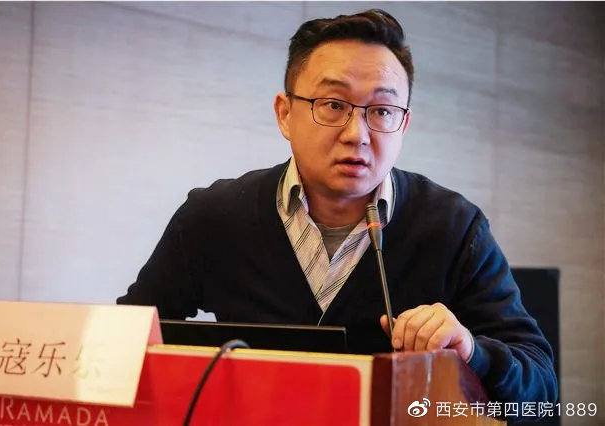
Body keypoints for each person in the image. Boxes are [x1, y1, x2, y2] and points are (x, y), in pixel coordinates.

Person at [117, 9, 557, 406]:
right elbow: (123, 341)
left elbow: (540, 385)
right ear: (285, 113)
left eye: (381, 111)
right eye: (333, 105)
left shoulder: (454, 227)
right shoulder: (214, 216)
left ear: (403, 123)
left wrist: (472, 350)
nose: (357, 134)